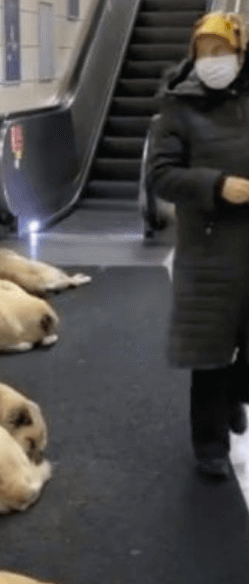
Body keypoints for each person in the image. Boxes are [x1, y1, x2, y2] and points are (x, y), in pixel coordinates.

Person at [148, 11, 249, 479]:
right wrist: (216, 185)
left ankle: (234, 394)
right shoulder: (178, 106)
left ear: (239, 52)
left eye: (221, 50)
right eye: (203, 52)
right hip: (208, 247)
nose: (213, 60)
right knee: (210, 351)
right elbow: (160, 175)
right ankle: (208, 444)